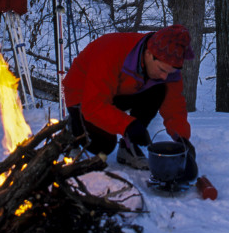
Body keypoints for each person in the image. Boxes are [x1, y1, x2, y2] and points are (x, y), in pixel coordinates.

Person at [63, 24, 197, 177]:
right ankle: (73, 128)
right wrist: (127, 125)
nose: (165, 76)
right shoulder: (111, 51)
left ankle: (128, 147)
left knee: (159, 89)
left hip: (119, 91)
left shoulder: (168, 62)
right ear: (148, 53)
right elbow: (93, 104)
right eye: (162, 70)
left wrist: (182, 138)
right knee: (104, 146)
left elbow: (174, 105)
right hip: (82, 96)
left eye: (170, 72)